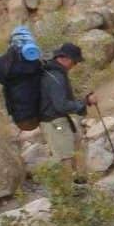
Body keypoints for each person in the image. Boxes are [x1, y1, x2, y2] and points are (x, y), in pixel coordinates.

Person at [39, 42, 94, 182]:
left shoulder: (54, 73)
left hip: (59, 121)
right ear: (66, 58)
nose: (75, 65)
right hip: (55, 123)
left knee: (77, 150)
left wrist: (82, 102)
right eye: (75, 62)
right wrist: (84, 103)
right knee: (65, 160)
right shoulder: (55, 76)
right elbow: (61, 105)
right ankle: (66, 196)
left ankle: (80, 186)